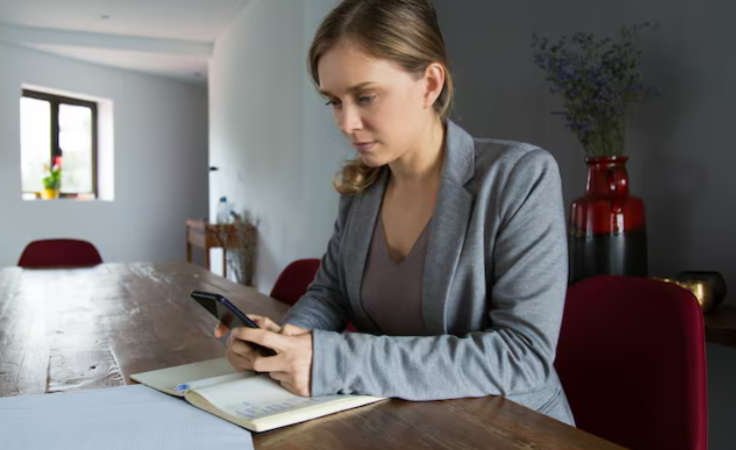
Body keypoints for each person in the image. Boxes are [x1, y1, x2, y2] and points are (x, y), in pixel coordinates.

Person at [214, 0, 574, 425]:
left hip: (507, 429)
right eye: (333, 101)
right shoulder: (360, 190)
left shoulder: (520, 177)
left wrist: (335, 360)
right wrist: (282, 343)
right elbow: (330, 296)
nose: (346, 123)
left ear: (429, 85)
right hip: (399, 425)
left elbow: (522, 356)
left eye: (365, 96)